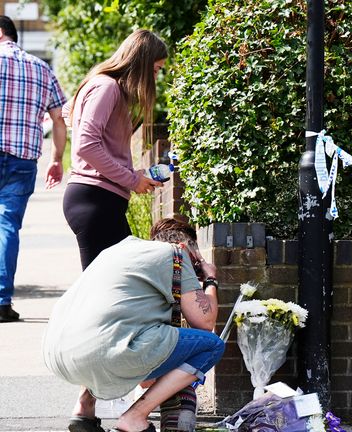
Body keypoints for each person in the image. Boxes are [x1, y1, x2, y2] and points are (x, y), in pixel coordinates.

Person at [43, 218, 224, 432]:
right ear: (185, 247)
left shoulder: (117, 251)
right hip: (103, 353)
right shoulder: (176, 253)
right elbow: (205, 322)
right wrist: (210, 279)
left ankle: (84, 409)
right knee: (212, 345)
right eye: (196, 262)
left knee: (108, 327)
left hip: (58, 353)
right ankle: (134, 417)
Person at [63, 29, 167, 270]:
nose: (155, 78)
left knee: (113, 283)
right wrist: (131, 179)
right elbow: (86, 145)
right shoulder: (107, 87)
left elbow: (68, 112)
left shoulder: (104, 86)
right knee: (103, 287)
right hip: (95, 200)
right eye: (155, 70)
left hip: (100, 199)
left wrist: (130, 172)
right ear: (141, 63)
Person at [0, 15, 67, 322]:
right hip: (21, 160)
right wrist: (56, 159)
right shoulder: (41, 68)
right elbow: (59, 119)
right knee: (7, 226)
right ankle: (2, 301)